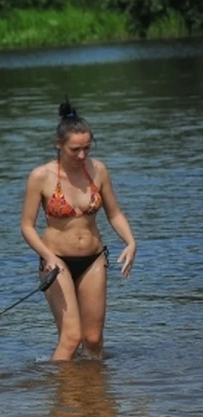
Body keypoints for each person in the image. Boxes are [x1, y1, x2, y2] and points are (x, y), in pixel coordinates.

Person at [20, 98, 137, 361]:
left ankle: (93, 397)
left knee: (93, 340)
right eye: (75, 150)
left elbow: (114, 213)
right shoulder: (41, 176)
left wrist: (130, 241)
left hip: (93, 259)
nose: (82, 155)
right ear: (58, 145)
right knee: (72, 337)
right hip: (56, 261)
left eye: (87, 148)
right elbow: (27, 226)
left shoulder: (99, 171)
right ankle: (60, 398)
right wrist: (48, 257)